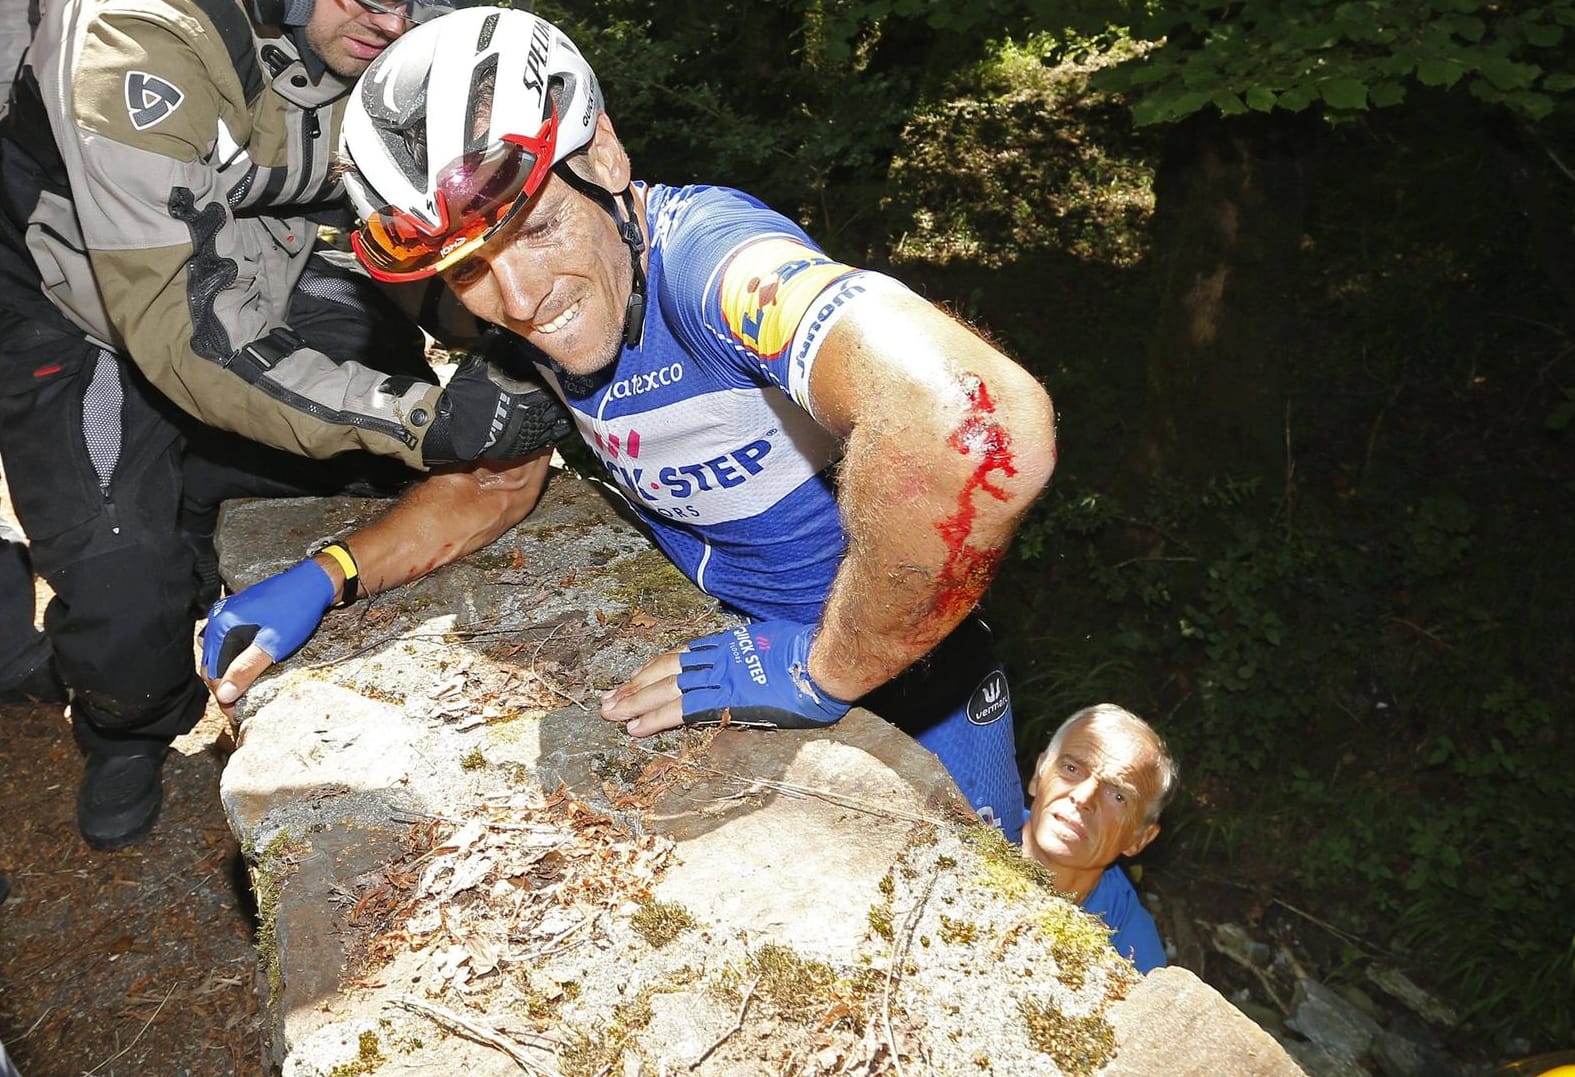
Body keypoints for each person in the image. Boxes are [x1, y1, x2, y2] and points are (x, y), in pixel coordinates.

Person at [202, 7, 1058, 837]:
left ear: (603, 155)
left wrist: (822, 668)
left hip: (912, 676)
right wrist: (328, 574)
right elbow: (499, 484)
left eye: (536, 227)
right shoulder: (543, 310)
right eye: (467, 270)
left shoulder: (707, 266)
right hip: (748, 641)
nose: (522, 299)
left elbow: (974, 425)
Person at [0, 0, 573, 851]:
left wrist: (488, 329)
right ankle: (128, 726)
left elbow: (415, 223)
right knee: (122, 599)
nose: (392, 20)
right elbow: (184, 334)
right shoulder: (140, 34)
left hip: (271, 260)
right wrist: (423, 418)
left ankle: (193, 493)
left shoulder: (409, 38)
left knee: (370, 468)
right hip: (81, 302)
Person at [1022, 704, 1176, 972]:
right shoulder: (964, 820)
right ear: (1038, 774)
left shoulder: (1131, 954)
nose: (1083, 798)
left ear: (1140, 838)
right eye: (1071, 769)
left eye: (1118, 796)